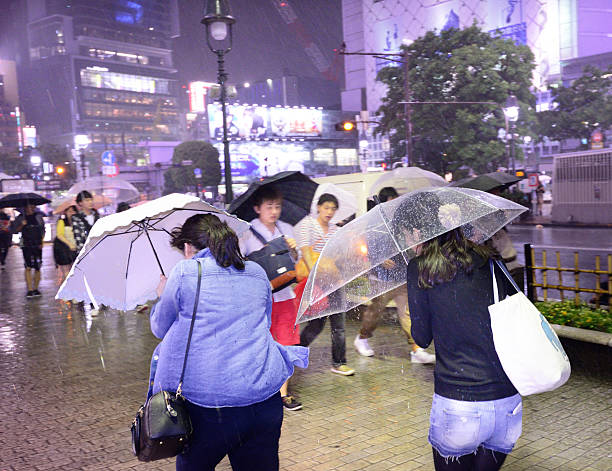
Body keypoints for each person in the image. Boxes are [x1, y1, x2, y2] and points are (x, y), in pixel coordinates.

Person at [150, 213, 308, 470]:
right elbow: (264, 323)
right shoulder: (256, 271)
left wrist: (162, 294)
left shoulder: (185, 271)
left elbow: (159, 327)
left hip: (211, 406)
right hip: (264, 399)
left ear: (188, 247)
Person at [399, 193, 522, 471]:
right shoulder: (489, 257)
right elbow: (515, 307)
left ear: (419, 232)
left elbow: (421, 338)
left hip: (459, 403)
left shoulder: (420, 268)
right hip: (507, 402)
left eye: (407, 236)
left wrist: (417, 307)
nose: (408, 244)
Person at [354, 187, 436, 363]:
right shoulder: (374, 224)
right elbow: (368, 248)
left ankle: (416, 349)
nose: (393, 204)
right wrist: (380, 259)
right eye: (390, 200)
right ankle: (362, 337)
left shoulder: (399, 219)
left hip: (400, 274)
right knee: (376, 310)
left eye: (395, 200)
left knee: (407, 311)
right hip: (382, 277)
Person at [239, 186, 303, 411]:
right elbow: (239, 264)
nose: (274, 211)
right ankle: (263, 390)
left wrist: (294, 251)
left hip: (286, 295)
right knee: (262, 345)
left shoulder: (286, 229)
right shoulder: (246, 233)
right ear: (257, 208)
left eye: (277, 206)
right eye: (269, 207)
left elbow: (295, 262)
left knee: (286, 343)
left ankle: (284, 393)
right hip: (259, 300)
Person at [296, 193, 355, 376]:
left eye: (333, 208)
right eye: (326, 207)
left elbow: (337, 256)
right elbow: (305, 251)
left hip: (333, 282)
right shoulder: (309, 224)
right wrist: (315, 275)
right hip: (317, 282)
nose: (329, 212)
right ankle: (295, 352)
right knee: (316, 325)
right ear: (319, 208)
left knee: (339, 325)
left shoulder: (335, 230)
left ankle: (339, 362)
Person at [12, 204, 45, 297]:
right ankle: (30, 289)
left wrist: (42, 242)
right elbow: (14, 230)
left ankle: (36, 288)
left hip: (37, 244)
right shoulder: (20, 218)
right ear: (25, 207)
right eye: (29, 206)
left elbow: (43, 230)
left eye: (32, 206)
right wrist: (22, 225)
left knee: (38, 266)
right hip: (26, 244)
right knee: (28, 266)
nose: (31, 208)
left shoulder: (38, 217)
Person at [53, 205, 78, 283]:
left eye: (74, 211)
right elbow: (59, 235)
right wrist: (70, 244)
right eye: (69, 211)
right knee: (66, 270)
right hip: (63, 248)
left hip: (75, 248)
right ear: (65, 212)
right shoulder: (62, 221)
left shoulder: (78, 222)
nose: (72, 213)